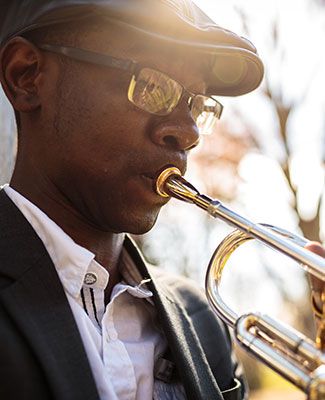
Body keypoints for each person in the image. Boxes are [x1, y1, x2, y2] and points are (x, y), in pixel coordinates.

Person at [0, 1, 322, 399]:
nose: (189, 133)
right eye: (151, 85)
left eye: (197, 105)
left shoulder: (203, 320)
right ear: (26, 76)